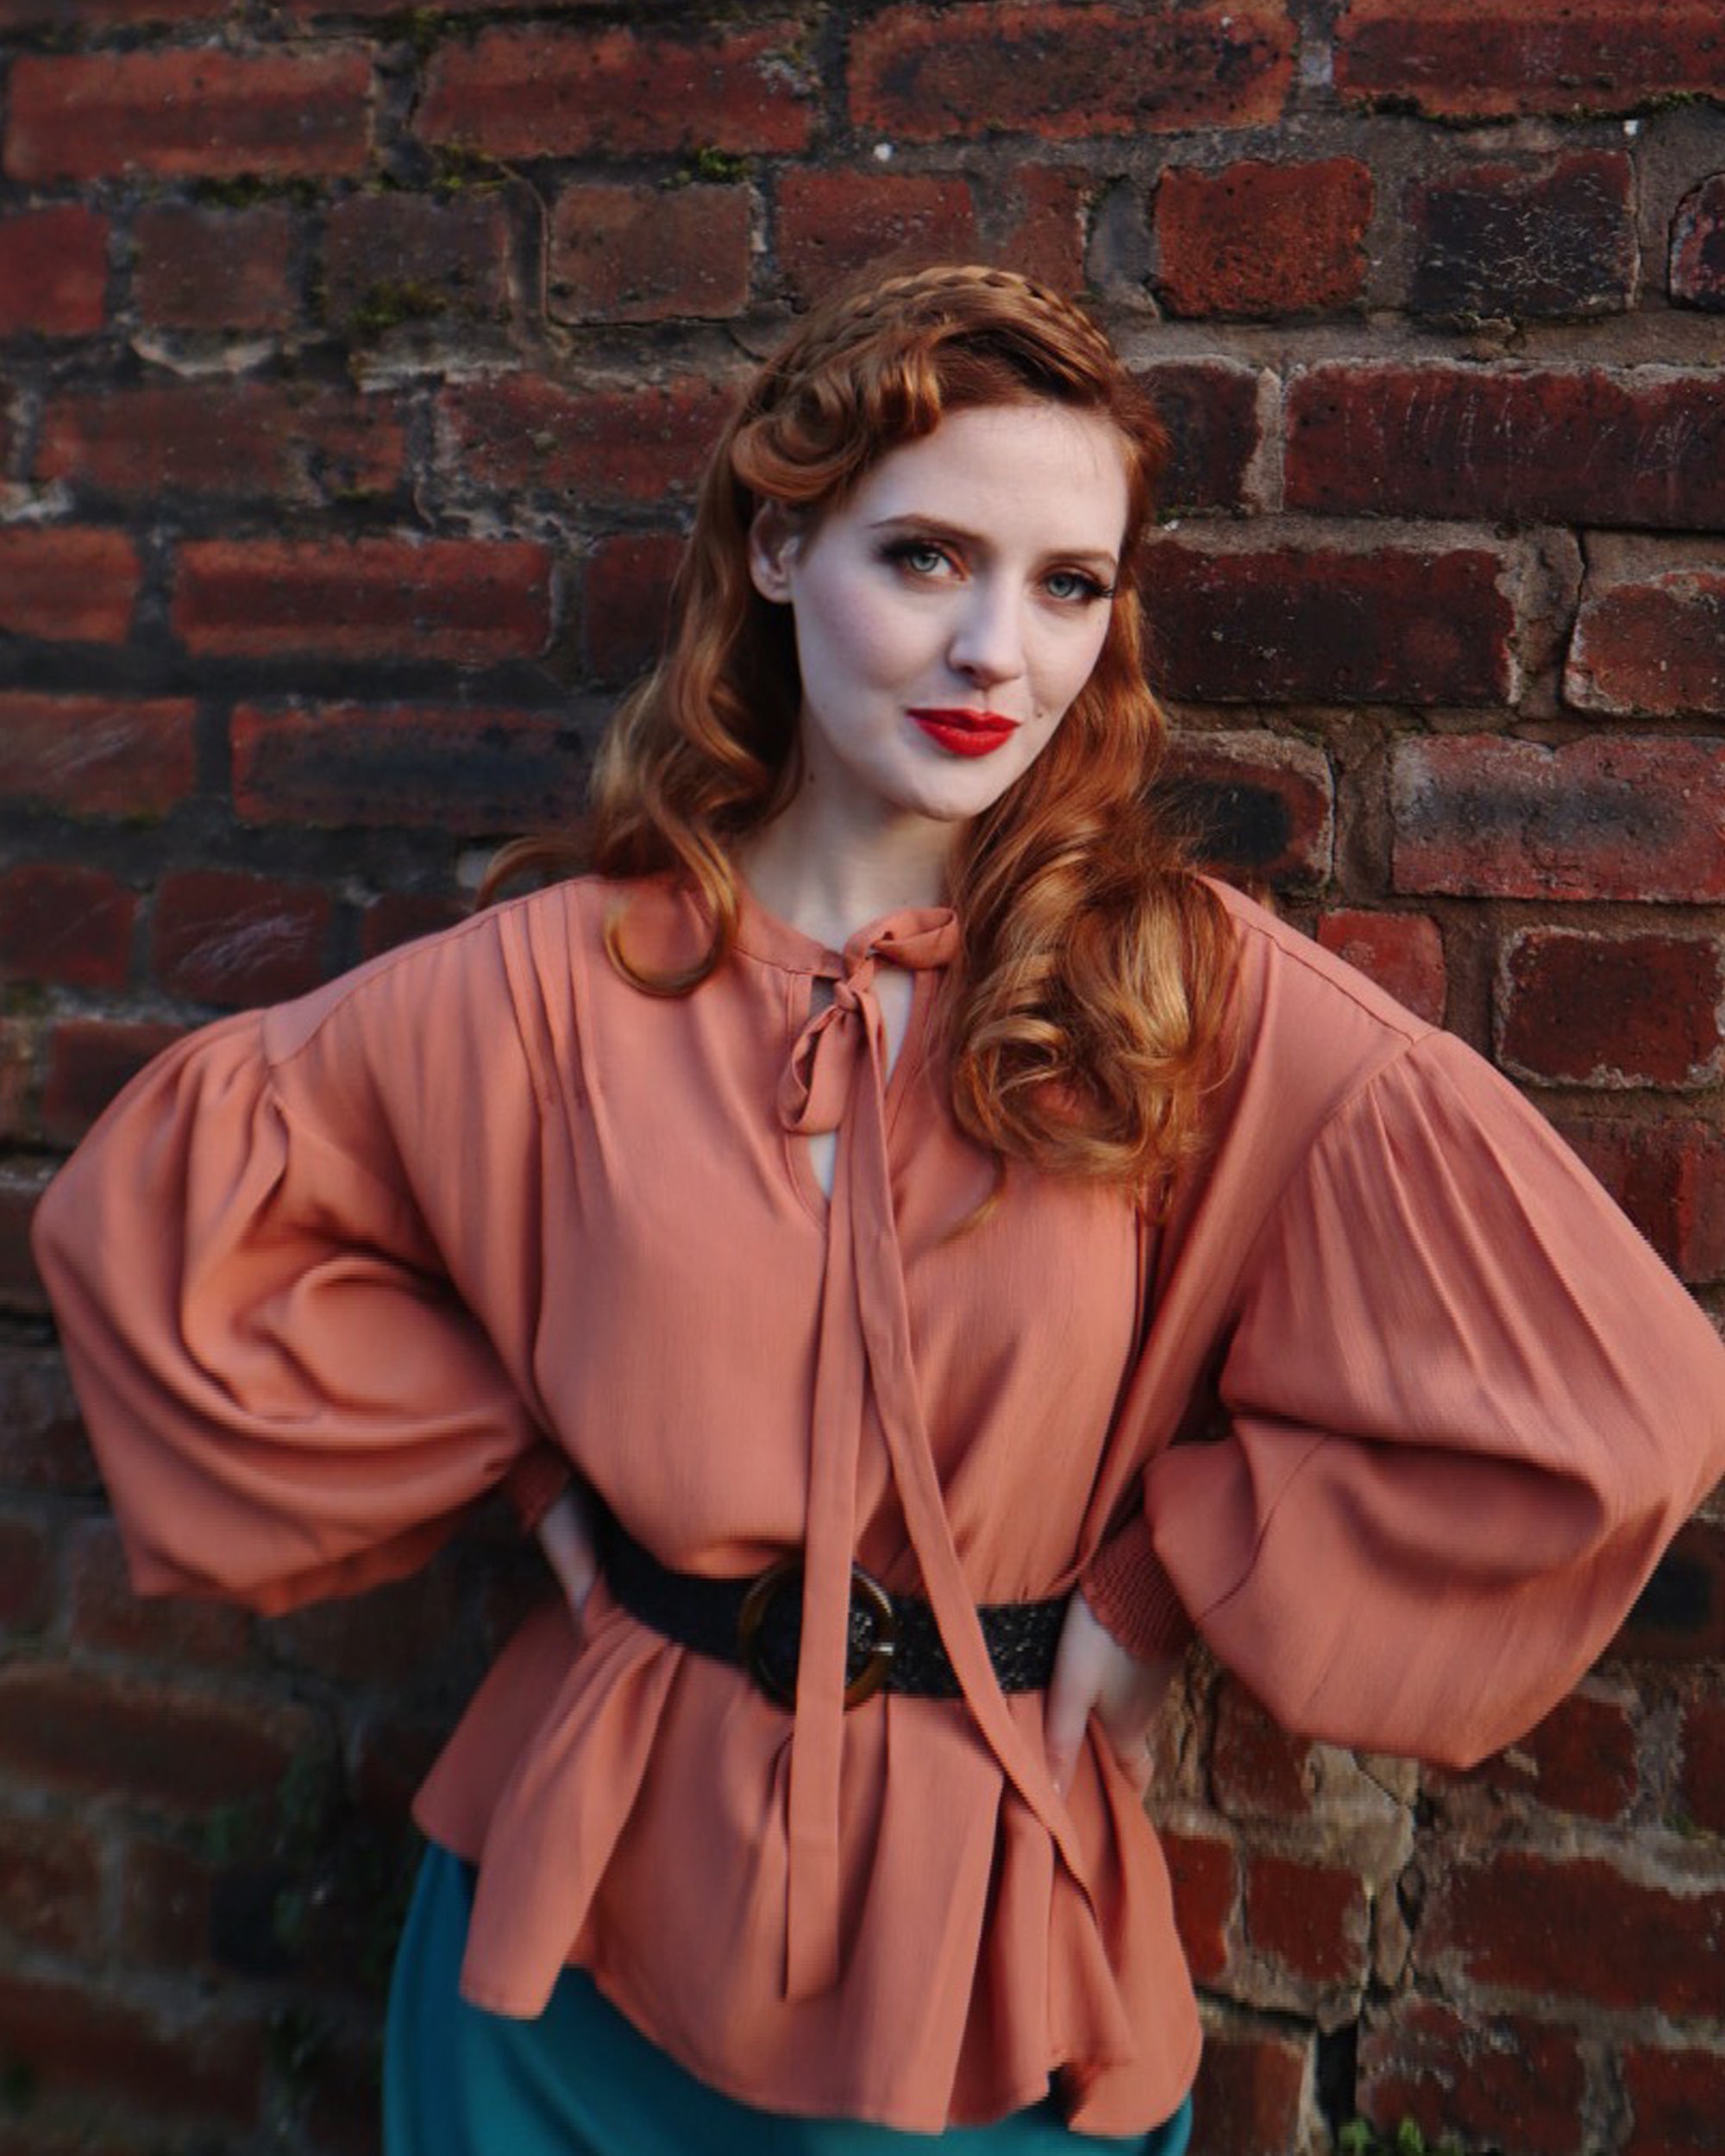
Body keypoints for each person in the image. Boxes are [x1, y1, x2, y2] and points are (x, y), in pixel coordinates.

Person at [30, 263, 1725, 2155]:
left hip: (993, 1945)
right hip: (565, 1946)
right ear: (777, 548)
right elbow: (173, 1220)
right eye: (925, 557)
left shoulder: (1186, 999)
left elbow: (1610, 1395)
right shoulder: (544, 991)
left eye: (1066, 584)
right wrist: (522, 1458)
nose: (998, 649)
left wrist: (1166, 1581)